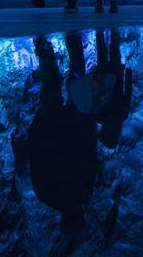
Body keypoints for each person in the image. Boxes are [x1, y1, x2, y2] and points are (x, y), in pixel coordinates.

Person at [27, 34, 98, 232]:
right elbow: (35, 160)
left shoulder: (86, 189)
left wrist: (89, 123)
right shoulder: (46, 196)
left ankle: (73, 40)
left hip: (75, 125)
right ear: (62, 220)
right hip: (50, 127)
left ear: (81, 216)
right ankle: (43, 46)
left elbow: (90, 153)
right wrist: (35, 131)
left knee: (77, 77)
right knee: (50, 83)